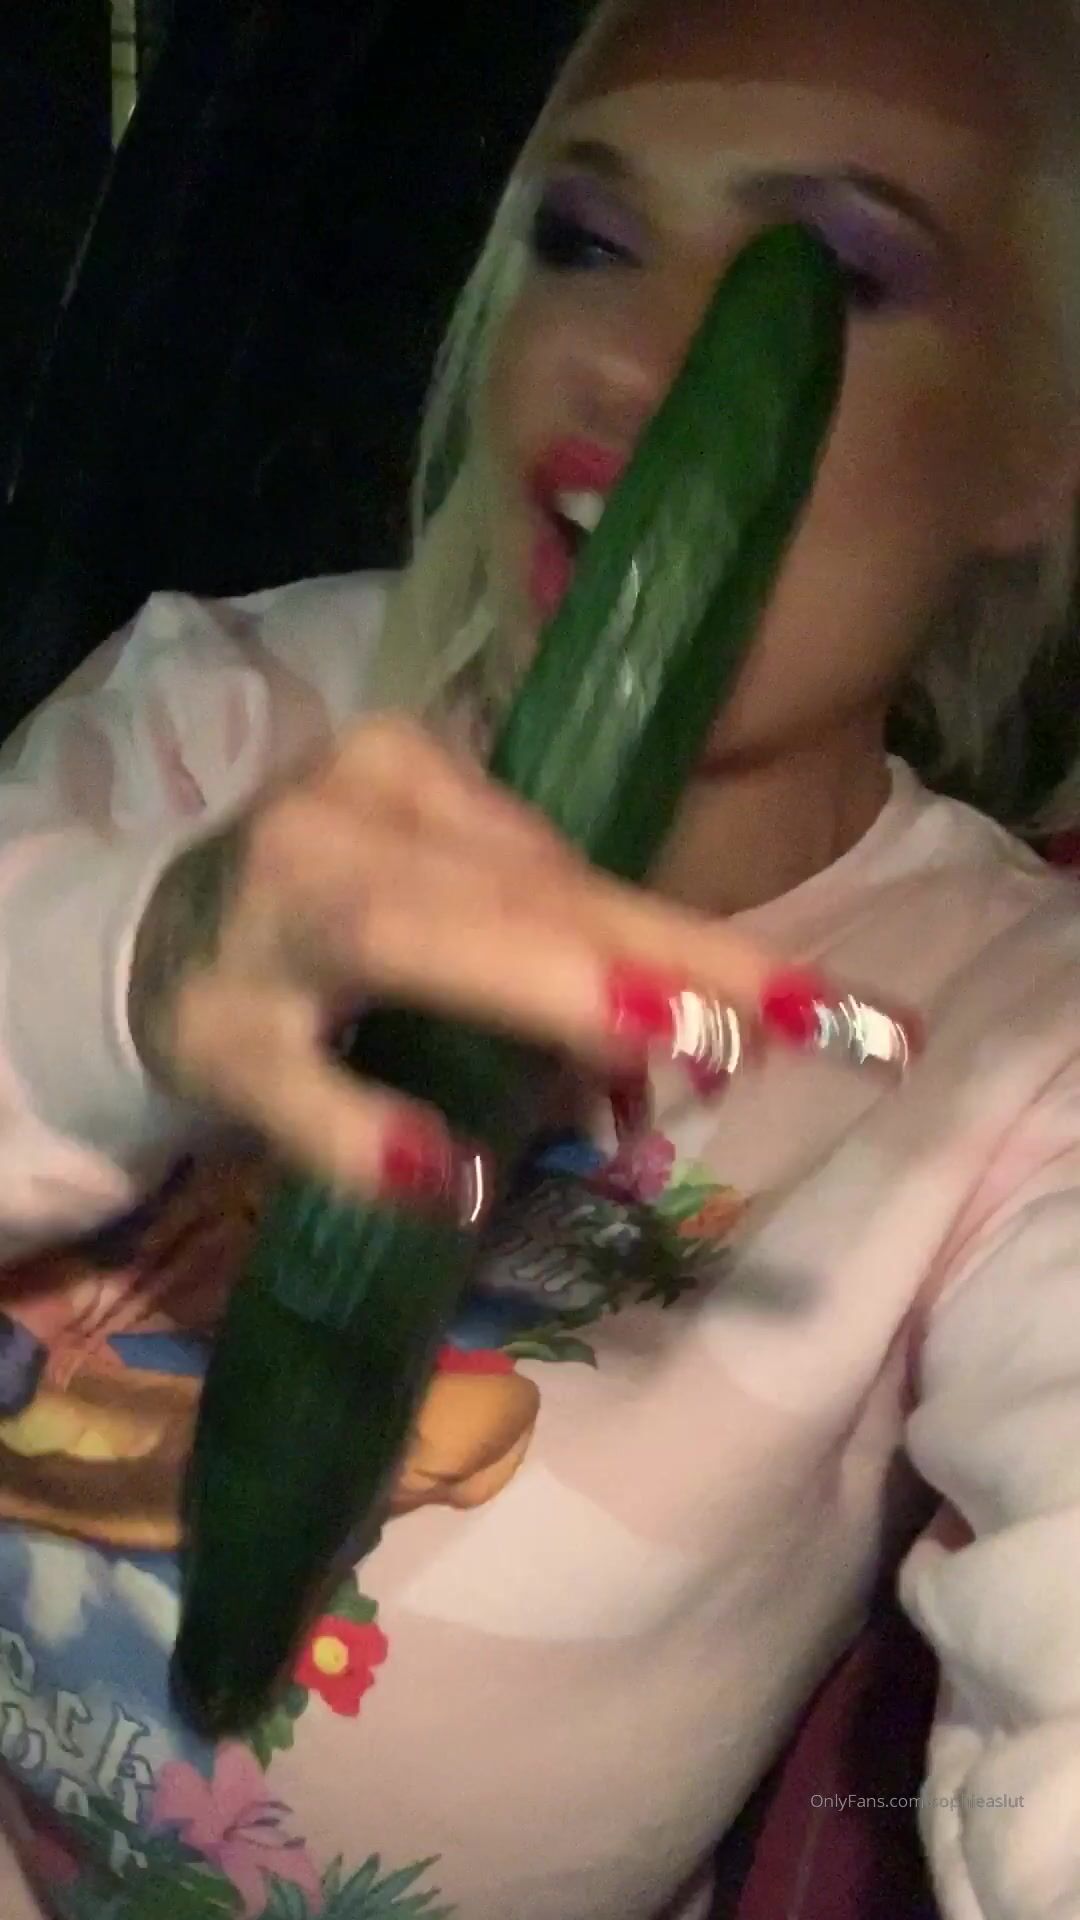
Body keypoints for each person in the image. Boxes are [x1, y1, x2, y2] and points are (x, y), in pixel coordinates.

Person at [0, 0, 1078, 1913]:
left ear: (1039, 448)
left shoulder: (1022, 1041)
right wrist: (136, 978)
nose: (638, 355)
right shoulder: (208, 720)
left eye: (832, 274)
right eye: (584, 237)